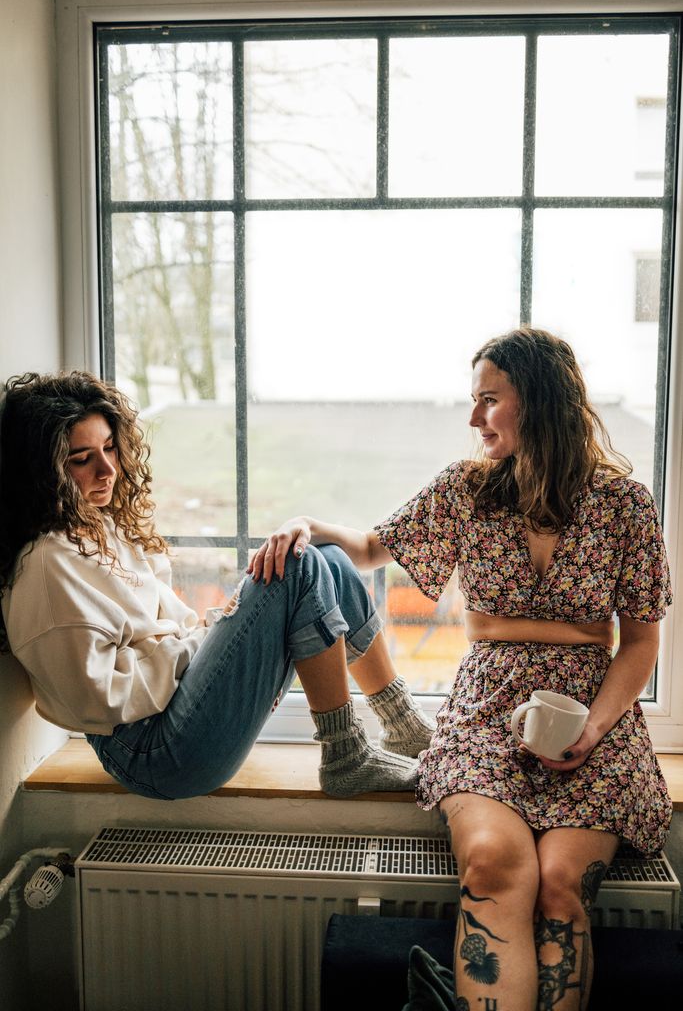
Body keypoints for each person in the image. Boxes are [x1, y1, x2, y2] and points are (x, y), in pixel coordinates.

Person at [250, 327, 673, 1011]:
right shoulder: (465, 490)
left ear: (538, 401)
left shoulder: (624, 504)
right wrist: (304, 523)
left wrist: (592, 730)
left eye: (488, 400)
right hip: (486, 710)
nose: (473, 418)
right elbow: (365, 548)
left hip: (593, 716)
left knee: (562, 882)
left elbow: (641, 642)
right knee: (494, 867)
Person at [0, 371, 435, 802]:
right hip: (154, 752)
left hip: (177, 714)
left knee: (332, 562)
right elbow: (92, 701)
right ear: (44, 471)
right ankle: (346, 755)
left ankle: (403, 727)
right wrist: (208, 642)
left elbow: (171, 632)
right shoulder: (47, 566)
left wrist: (221, 633)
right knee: (297, 566)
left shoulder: (100, 530)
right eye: (82, 459)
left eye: (110, 447)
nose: (107, 469)